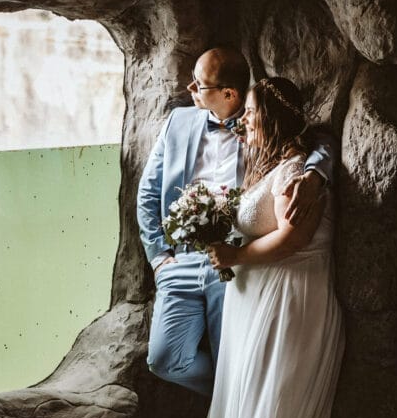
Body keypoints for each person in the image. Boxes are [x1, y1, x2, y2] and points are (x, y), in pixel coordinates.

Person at [146, 77, 345, 418]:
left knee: (276, 405)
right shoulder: (267, 160)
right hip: (259, 300)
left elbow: (294, 238)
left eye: (251, 112)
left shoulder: (298, 173)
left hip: (289, 303)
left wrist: (234, 256)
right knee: (253, 401)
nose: (244, 121)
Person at [137, 48, 334, 396]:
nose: (190, 88)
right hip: (180, 260)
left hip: (238, 265)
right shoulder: (177, 122)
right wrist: (158, 258)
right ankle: (236, 400)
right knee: (164, 360)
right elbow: (148, 193)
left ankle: (242, 407)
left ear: (229, 93)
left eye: (199, 83)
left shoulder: (262, 121)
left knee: (236, 355)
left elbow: (319, 141)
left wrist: (315, 174)